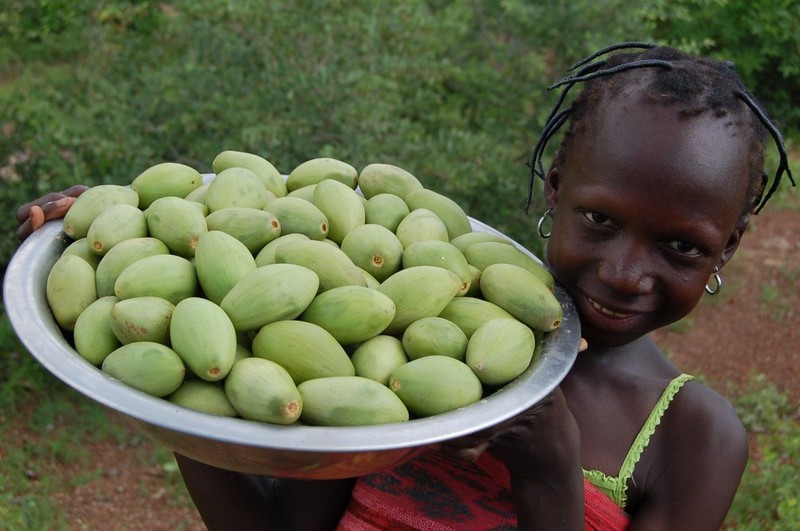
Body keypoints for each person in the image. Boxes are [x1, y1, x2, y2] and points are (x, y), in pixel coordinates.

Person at [16, 42, 795, 530]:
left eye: (681, 246)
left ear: (726, 246)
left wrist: (550, 476)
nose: (626, 272)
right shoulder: (404, 336)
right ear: (555, 189)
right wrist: (131, 237)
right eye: (597, 218)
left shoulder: (696, 439)